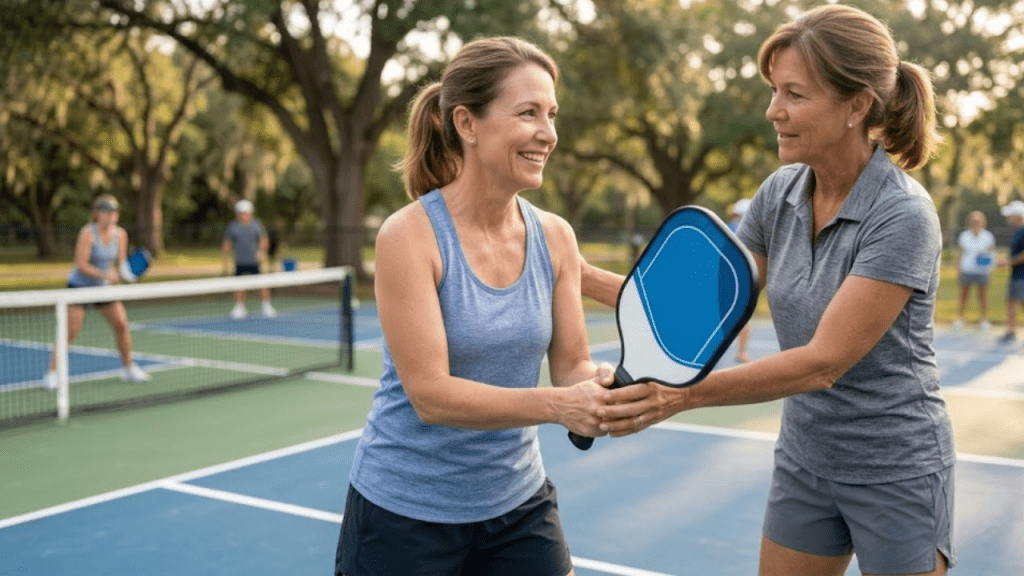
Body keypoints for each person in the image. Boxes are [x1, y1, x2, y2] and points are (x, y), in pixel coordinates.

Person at [582, 6, 956, 575]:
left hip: (895, 467)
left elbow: (821, 363)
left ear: (856, 105)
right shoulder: (780, 192)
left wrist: (680, 396)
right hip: (807, 456)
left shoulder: (903, 215)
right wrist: (569, 271)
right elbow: (697, 302)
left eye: (794, 94)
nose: (772, 111)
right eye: (774, 90)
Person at [334, 37, 614, 576]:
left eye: (552, 114)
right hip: (403, 515)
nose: (548, 133)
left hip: (518, 506)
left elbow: (572, 364)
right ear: (467, 123)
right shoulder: (409, 236)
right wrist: (560, 404)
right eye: (528, 112)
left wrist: (597, 389)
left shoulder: (556, 237)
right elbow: (431, 396)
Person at [43, 194, 150, 389]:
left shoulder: (121, 235)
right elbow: (80, 264)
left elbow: (120, 264)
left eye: (114, 211)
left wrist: (124, 274)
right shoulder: (87, 233)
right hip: (79, 287)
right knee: (70, 331)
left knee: (121, 325)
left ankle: (128, 368)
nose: (110, 215)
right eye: (106, 211)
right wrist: (105, 275)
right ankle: (51, 373)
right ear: (96, 214)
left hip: (103, 289)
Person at [222, 199, 275, 319]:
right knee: (238, 286)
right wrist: (225, 261)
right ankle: (239, 308)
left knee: (261, 284)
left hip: (254, 262)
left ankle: (266, 306)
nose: (243, 215)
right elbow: (227, 244)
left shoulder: (256, 225)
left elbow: (264, 240)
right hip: (240, 262)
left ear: (250, 213)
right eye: (241, 213)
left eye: (246, 212)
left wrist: (261, 253)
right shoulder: (232, 226)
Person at [953, 210, 995, 331]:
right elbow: (960, 253)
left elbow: (991, 253)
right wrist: (958, 268)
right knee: (963, 295)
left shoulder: (988, 236)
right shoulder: (964, 235)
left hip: (982, 271)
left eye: (977, 221)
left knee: (982, 296)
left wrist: (989, 267)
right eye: (973, 221)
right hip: (967, 269)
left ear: (982, 222)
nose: (975, 222)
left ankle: (984, 319)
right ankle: (960, 318)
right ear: (969, 222)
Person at [729, 198, 754, 362]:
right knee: (743, 316)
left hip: (723, 276)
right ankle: (742, 352)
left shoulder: (727, 227)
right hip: (741, 278)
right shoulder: (750, 231)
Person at [998, 200, 1024, 343]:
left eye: (1011, 215)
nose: (1008, 218)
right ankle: (1011, 331)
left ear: (1018, 216)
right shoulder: (1016, 232)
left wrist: (1009, 261)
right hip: (1016, 273)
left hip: (1022, 275)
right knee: (1011, 300)